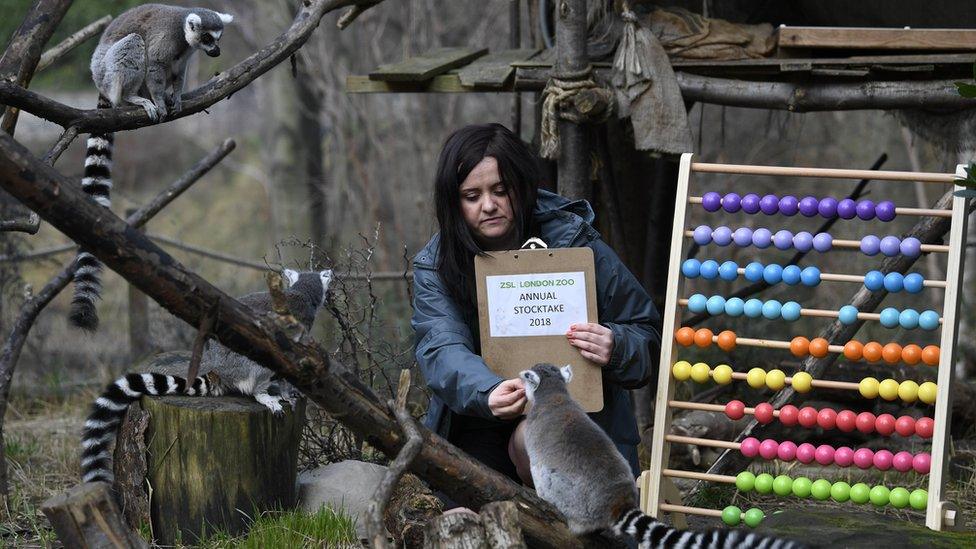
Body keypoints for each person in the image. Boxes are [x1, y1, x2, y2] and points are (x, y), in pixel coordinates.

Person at [411, 123, 661, 496]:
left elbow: (646, 333)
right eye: (472, 195)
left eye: (500, 190)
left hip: (575, 414)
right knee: (464, 517)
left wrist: (617, 345)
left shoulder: (574, 240)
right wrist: (486, 390)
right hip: (479, 419)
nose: (489, 205)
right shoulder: (436, 263)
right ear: (454, 201)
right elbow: (440, 345)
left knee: (533, 441)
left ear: (521, 186)